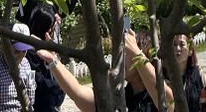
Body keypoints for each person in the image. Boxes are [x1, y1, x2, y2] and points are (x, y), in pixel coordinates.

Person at [33, 28, 174, 112]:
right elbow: (78, 93)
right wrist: (53, 60)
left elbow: (167, 102)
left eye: (126, 53)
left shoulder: (163, 92)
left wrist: (135, 51)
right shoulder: (119, 96)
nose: (120, 58)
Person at [0, 22, 36, 112]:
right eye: (16, 51)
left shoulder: (25, 63)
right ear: (4, 46)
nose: (21, 55)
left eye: (24, 50)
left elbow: (30, 99)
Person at [24, 5, 64, 112]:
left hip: (49, 100)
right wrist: (57, 87)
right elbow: (36, 78)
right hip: (40, 103)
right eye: (50, 27)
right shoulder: (29, 50)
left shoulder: (44, 45)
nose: (51, 30)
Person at [168, 35, 206, 112]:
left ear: (190, 51)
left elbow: (204, 105)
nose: (177, 48)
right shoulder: (163, 75)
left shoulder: (197, 73)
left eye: (182, 45)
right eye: (174, 44)